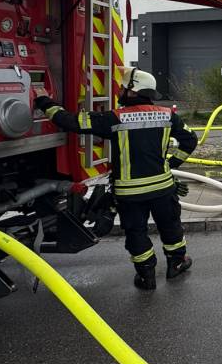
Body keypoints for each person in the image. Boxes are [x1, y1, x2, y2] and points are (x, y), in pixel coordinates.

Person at [34, 67, 197, 291]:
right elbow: (190, 141)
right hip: (163, 188)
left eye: (123, 88)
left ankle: (146, 276)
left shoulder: (113, 118)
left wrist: (43, 100)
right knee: (170, 228)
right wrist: (171, 163)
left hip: (129, 193)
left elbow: (70, 122)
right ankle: (176, 264)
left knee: (136, 232)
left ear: (132, 90)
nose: (120, 91)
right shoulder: (168, 115)